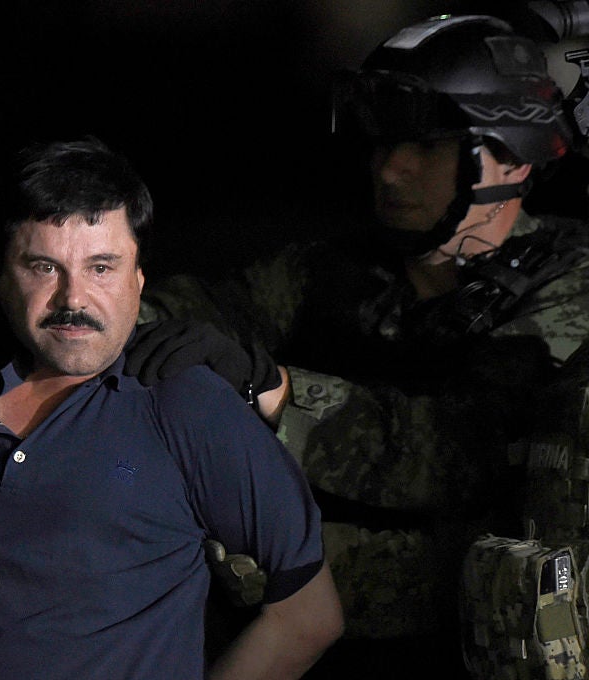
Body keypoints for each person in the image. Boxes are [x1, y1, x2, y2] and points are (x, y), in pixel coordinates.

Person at [132, 13, 589, 678]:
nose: (390, 168)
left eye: (428, 146)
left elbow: (458, 454)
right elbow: (214, 308)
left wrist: (274, 391)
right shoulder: (343, 269)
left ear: (512, 157)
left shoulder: (569, 286)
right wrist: (108, 315)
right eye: (381, 142)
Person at [0, 135, 343, 679]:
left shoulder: (187, 405)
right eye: (43, 267)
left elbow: (308, 616)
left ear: (139, 277)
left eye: (101, 267)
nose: (74, 298)